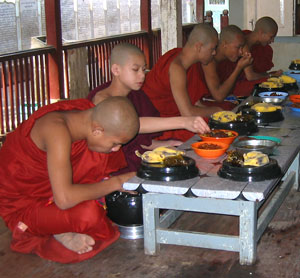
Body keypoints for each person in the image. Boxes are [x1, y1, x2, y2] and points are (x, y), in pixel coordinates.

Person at [0, 96, 140, 263]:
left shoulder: (85, 116)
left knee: (107, 205)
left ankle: (57, 227)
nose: (116, 149)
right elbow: (64, 200)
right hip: (24, 204)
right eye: (115, 143)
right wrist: (116, 183)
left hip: (57, 189)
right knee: (90, 215)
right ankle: (55, 230)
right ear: (97, 130)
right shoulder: (56, 131)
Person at [88, 43, 211, 170]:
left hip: (136, 155)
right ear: (116, 70)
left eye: (144, 69)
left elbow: (141, 141)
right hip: (113, 165)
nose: (142, 75)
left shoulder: (136, 95)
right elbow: (129, 125)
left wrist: (164, 144)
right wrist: (184, 121)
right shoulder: (102, 99)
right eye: (135, 70)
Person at [142, 23, 227, 141]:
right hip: (157, 121)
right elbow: (188, 114)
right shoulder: (177, 67)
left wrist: (217, 113)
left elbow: (194, 101)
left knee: (217, 121)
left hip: (175, 114)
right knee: (211, 131)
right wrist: (217, 111)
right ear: (199, 47)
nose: (214, 53)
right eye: (212, 49)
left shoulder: (185, 58)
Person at [217, 16, 283, 96]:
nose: (272, 41)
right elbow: (250, 76)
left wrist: (270, 75)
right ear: (261, 33)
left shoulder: (262, 47)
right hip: (233, 84)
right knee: (272, 84)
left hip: (241, 80)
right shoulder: (242, 42)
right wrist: (271, 76)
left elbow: (259, 72)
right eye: (271, 37)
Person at [199, 25, 253, 102]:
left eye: (242, 48)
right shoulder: (208, 60)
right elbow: (218, 96)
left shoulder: (228, 59)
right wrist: (238, 68)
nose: (241, 52)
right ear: (224, 44)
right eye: (238, 47)